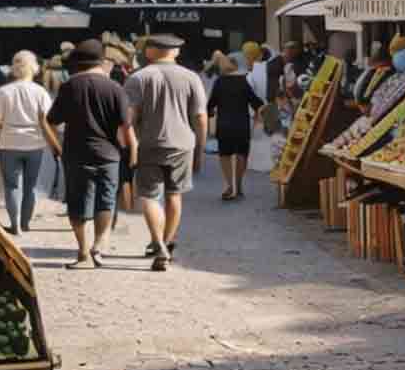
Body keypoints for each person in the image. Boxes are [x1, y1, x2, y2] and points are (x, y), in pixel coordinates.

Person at [123, 33, 207, 271]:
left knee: (148, 196)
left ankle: (157, 242)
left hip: (149, 144)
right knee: (174, 194)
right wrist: (200, 147)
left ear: (149, 51)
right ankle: (167, 242)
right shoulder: (192, 78)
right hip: (182, 145)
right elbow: (200, 117)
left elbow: (129, 117)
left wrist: (130, 145)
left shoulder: (137, 78)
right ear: (176, 52)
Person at [48, 40, 134, 269]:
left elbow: (51, 120)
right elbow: (126, 127)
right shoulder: (116, 88)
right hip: (109, 154)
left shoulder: (69, 87)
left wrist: (56, 145)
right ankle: (99, 245)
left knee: (77, 204)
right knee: (106, 201)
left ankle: (83, 251)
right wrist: (130, 152)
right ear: (102, 61)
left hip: (76, 153)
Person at [0, 50, 60, 236]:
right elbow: (49, 122)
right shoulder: (41, 92)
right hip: (35, 144)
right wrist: (55, 145)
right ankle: (25, 223)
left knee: (11, 186)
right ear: (34, 69)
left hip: (8, 143)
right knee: (30, 187)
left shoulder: (2, 92)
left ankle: (15, 225)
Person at [207, 52, 263, 202]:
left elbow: (211, 104)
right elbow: (257, 103)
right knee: (241, 155)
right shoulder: (243, 82)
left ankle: (229, 185)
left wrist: (210, 113)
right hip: (241, 125)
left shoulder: (219, 82)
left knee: (225, 155)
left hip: (224, 125)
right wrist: (259, 116)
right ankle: (238, 185)